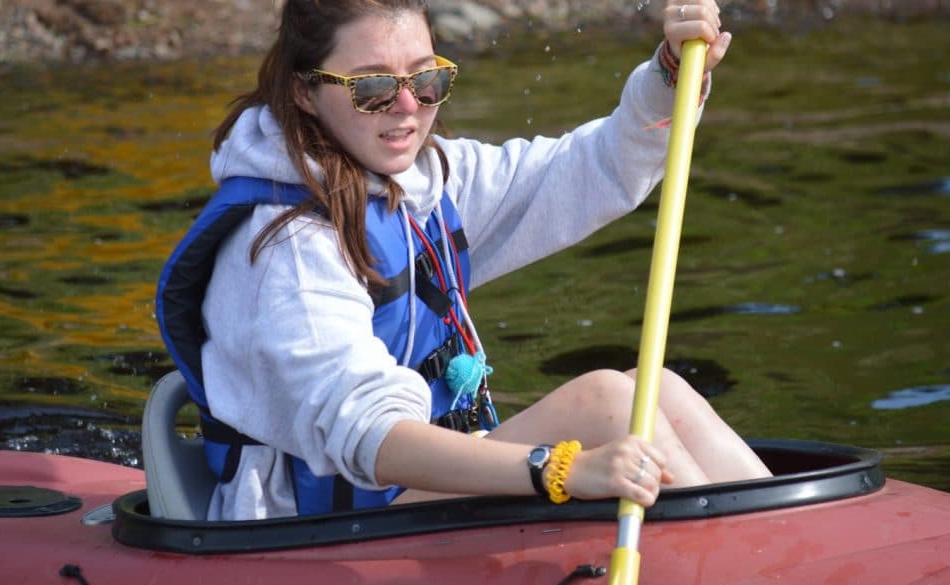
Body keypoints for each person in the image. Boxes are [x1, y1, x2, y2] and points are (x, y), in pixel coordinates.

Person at [156, 0, 771, 522]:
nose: (407, 107)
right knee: (606, 402)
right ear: (304, 92)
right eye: (371, 88)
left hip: (413, 497)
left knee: (655, 387)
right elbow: (372, 442)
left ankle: (787, 543)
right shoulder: (286, 250)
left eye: (427, 81)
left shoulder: (427, 182)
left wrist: (668, 76)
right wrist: (560, 470)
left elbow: (596, 169)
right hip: (322, 536)